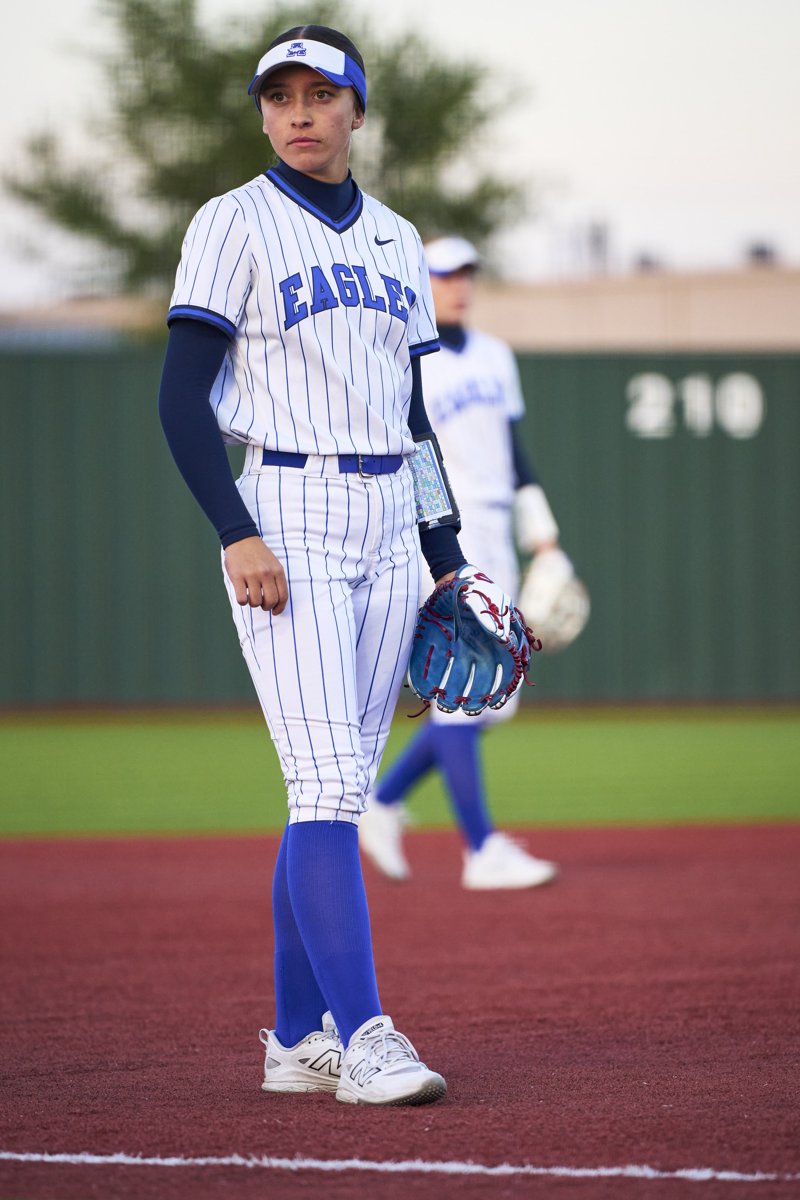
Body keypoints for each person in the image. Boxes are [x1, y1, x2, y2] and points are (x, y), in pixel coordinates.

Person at [157, 26, 505, 1107]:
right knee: (320, 785)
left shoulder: (400, 241)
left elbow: (413, 424)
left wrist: (445, 563)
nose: (299, 113)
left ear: (357, 110)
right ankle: (365, 1038)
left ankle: (295, 1037)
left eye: (322, 94)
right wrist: (234, 529)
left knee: (340, 791)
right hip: (287, 505)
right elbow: (178, 399)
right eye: (280, 97)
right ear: (263, 113)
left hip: (388, 523)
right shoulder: (231, 221)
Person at [359, 236, 575, 891]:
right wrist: (436, 534)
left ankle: (382, 801)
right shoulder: (405, 357)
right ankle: (480, 850)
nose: (457, 284)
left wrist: (544, 534)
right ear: (421, 281)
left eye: (464, 273)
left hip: (497, 526)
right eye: (443, 273)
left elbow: (515, 450)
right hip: (448, 534)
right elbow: (417, 452)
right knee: (463, 695)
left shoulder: (495, 357)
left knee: (491, 699)